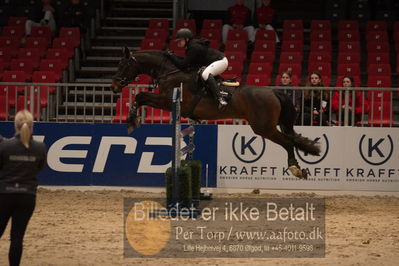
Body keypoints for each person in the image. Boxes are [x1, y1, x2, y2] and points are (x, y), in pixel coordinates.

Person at [0, 110, 47, 266]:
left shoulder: (5, 146)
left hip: (5, 194)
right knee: (17, 237)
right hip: (27, 196)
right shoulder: (40, 148)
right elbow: (39, 168)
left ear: (16, 125)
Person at [165, 28, 229, 109]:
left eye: (180, 40)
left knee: (205, 74)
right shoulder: (190, 46)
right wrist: (173, 56)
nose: (178, 42)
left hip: (221, 61)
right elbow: (186, 62)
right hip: (216, 62)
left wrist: (171, 56)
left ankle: (220, 99)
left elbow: (183, 65)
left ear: (187, 39)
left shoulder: (193, 47)